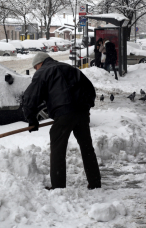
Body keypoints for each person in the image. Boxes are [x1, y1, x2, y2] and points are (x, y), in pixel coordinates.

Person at [23, 52, 101, 190]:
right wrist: (87, 106)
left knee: (58, 149)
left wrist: (32, 119)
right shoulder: (68, 68)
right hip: (81, 113)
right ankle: (95, 182)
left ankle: (58, 186)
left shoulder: (42, 72)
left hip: (64, 114)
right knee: (87, 147)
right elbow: (89, 87)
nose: (36, 70)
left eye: (36, 67)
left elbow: (30, 98)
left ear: (39, 64)